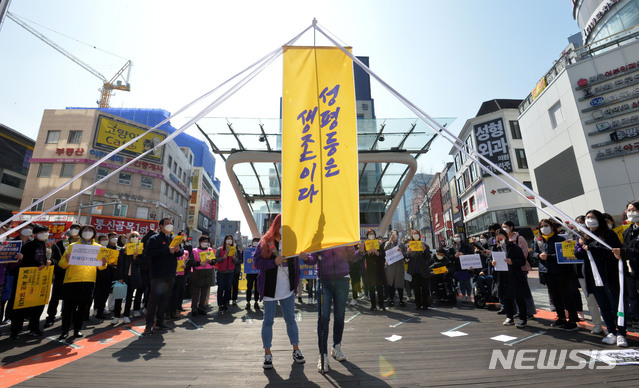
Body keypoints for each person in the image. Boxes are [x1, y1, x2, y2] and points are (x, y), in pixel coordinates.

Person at [301, 242, 364, 373]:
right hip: (324, 280)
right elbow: (313, 259)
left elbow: (352, 257)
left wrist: (360, 251)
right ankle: (322, 355)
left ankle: (336, 346)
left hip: (343, 280)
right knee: (323, 317)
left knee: (339, 316)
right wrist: (306, 258)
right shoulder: (319, 235)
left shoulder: (344, 234)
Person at [253, 214, 306, 369]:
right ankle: (267, 354)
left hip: (287, 288)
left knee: (290, 319)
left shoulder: (292, 241)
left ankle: (296, 350)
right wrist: (273, 262)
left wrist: (303, 256)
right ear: (277, 225)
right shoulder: (266, 241)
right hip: (270, 288)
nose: (286, 229)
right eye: (283, 225)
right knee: (268, 321)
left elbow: (299, 258)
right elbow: (257, 262)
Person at [576, 210, 627, 347]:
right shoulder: (584, 235)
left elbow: (613, 252)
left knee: (615, 305)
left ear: (599, 219)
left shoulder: (609, 234)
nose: (589, 220)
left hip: (608, 275)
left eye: (592, 217)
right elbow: (578, 255)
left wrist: (592, 248)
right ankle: (611, 331)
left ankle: (621, 333)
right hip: (593, 277)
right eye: (587, 217)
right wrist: (581, 246)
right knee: (603, 305)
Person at [58, 225, 107, 339]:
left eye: (90, 230)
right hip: (71, 280)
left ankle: (77, 329)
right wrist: (66, 260)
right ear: (80, 233)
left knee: (82, 308)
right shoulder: (72, 246)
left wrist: (104, 263)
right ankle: (65, 330)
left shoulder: (98, 247)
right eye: (85, 230)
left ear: (94, 234)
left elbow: (101, 267)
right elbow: (61, 264)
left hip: (88, 280)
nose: (87, 232)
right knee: (68, 308)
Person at [9, 224, 58, 339]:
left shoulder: (50, 246)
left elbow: (56, 259)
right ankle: (15, 329)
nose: (44, 234)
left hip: (41, 280)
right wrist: (36, 264)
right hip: (27, 279)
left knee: (38, 304)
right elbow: (22, 261)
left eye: (46, 231)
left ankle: (34, 327)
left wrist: (51, 261)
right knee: (21, 304)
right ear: (36, 234)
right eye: (42, 232)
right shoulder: (28, 245)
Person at [531, 219, 579, 331]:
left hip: (561, 272)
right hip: (547, 272)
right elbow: (534, 253)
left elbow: (563, 255)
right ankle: (561, 317)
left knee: (566, 296)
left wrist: (549, 256)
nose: (544, 228)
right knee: (555, 297)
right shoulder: (538, 240)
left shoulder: (560, 239)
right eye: (542, 226)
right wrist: (538, 256)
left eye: (546, 225)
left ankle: (572, 320)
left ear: (552, 227)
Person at [143, 218, 183, 336]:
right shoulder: (154, 238)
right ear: (160, 226)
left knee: (165, 299)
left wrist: (177, 250)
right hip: (157, 274)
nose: (170, 225)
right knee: (154, 299)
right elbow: (150, 253)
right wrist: (167, 250)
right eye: (167, 223)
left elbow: (180, 253)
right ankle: (149, 324)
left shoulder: (174, 238)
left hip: (170, 273)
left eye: (171, 223)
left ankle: (160, 321)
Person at [490, 228, 532, 328]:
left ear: (506, 237)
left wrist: (512, 262)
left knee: (519, 297)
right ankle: (509, 316)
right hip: (502, 276)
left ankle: (523, 318)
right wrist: (492, 263)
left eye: (502, 236)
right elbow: (489, 260)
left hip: (515, 275)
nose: (500, 238)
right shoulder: (495, 249)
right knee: (505, 297)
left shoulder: (514, 247)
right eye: (498, 237)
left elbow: (522, 261)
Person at [46, 224, 80, 327]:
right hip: (61, 274)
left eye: (77, 229)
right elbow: (55, 259)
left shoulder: (82, 245)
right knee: (55, 298)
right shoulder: (60, 243)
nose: (74, 231)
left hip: (75, 275)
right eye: (73, 229)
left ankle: (70, 318)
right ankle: (50, 317)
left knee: (73, 299)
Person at [502, 220, 536, 319]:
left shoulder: (519, 238)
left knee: (524, 291)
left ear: (511, 227)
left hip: (521, 268)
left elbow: (524, 253)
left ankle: (529, 311)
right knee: (515, 292)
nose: (504, 229)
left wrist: (513, 261)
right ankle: (521, 311)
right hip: (510, 270)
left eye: (505, 227)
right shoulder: (505, 240)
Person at [614, 201, 639, 327]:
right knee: (632, 295)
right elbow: (625, 248)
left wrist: (625, 251)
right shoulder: (627, 231)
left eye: (634, 210)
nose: (631, 213)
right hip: (632, 269)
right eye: (628, 210)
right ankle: (635, 317)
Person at [113, 231, 144, 325]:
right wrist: (120, 277)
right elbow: (120, 264)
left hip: (133, 277)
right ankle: (116, 316)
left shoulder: (140, 250)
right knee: (119, 297)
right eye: (133, 236)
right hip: (123, 277)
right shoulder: (123, 249)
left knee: (129, 297)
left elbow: (141, 263)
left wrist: (136, 258)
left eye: (137, 236)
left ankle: (126, 315)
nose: (135, 237)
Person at [405, 230, 431, 310]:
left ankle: (425, 304)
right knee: (416, 289)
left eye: (417, 234)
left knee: (425, 289)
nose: (416, 235)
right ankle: (418, 305)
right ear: (412, 236)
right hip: (414, 272)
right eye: (414, 234)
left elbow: (428, 257)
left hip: (423, 271)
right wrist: (408, 253)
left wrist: (424, 250)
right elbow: (407, 259)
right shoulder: (410, 246)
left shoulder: (425, 245)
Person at [189, 236, 215, 316]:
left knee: (204, 292)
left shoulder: (210, 250)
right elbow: (190, 262)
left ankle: (202, 308)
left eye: (207, 241)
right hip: (197, 273)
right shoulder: (194, 250)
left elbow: (214, 262)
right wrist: (199, 263)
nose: (205, 243)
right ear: (200, 242)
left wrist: (210, 261)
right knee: (196, 292)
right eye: (204, 241)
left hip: (207, 273)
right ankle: (194, 308)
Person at [363, 229, 386, 311]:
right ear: (367, 235)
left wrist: (378, 253)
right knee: (371, 288)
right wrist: (367, 253)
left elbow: (383, 254)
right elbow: (362, 256)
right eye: (369, 234)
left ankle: (381, 305)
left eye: (372, 233)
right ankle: (373, 305)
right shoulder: (365, 244)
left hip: (378, 268)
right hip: (369, 269)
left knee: (379, 287)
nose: (371, 235)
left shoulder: (379, 243)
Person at [215, 235, 238, 312]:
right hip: (221, 272)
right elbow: (216, 260)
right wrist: (223, 258)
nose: (229, 240)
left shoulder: (234, 250)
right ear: (225, 240)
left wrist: (234, 257)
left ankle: (225, 304)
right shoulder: (220, 249)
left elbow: (236, 261)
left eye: (230, 239)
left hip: (230, 272)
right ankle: (220, 304)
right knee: (221, 288)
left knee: (228, 289)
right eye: (228, 239)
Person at [449, 233, 474, 302]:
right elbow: (449, 257)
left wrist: (464, 255)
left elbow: (471, 254)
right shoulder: (452, 247)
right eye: (455, 237)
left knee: (467, 282)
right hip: (457, 267)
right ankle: (463, 294)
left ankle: (468, 295)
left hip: (466, 267)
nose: (457, 238)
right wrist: (455, 256)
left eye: (458, 236)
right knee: (461, 282)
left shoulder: (466, 246)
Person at [384, 230, 406, 308]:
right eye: (392, 234)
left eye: (395, 234)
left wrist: (401, 252)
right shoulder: (388, 243)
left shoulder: (401, 245)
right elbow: (384, 249)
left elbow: (405, 255)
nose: (394, 236)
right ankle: (391, 300)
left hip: (399, 267)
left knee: (400, 284)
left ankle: (401, 300)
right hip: (391, 267)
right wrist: (390, 240)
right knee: (391, 284)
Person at [245, 237, 260, 310]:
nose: (256, 243)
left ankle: (256, 302)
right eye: (255, 241)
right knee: (249, 288)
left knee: (257, 288)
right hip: (250, 273)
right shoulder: (248, 249)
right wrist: (242, 251)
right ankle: (248, 302)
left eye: (258, 241)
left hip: (258, 273)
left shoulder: (261, 250)